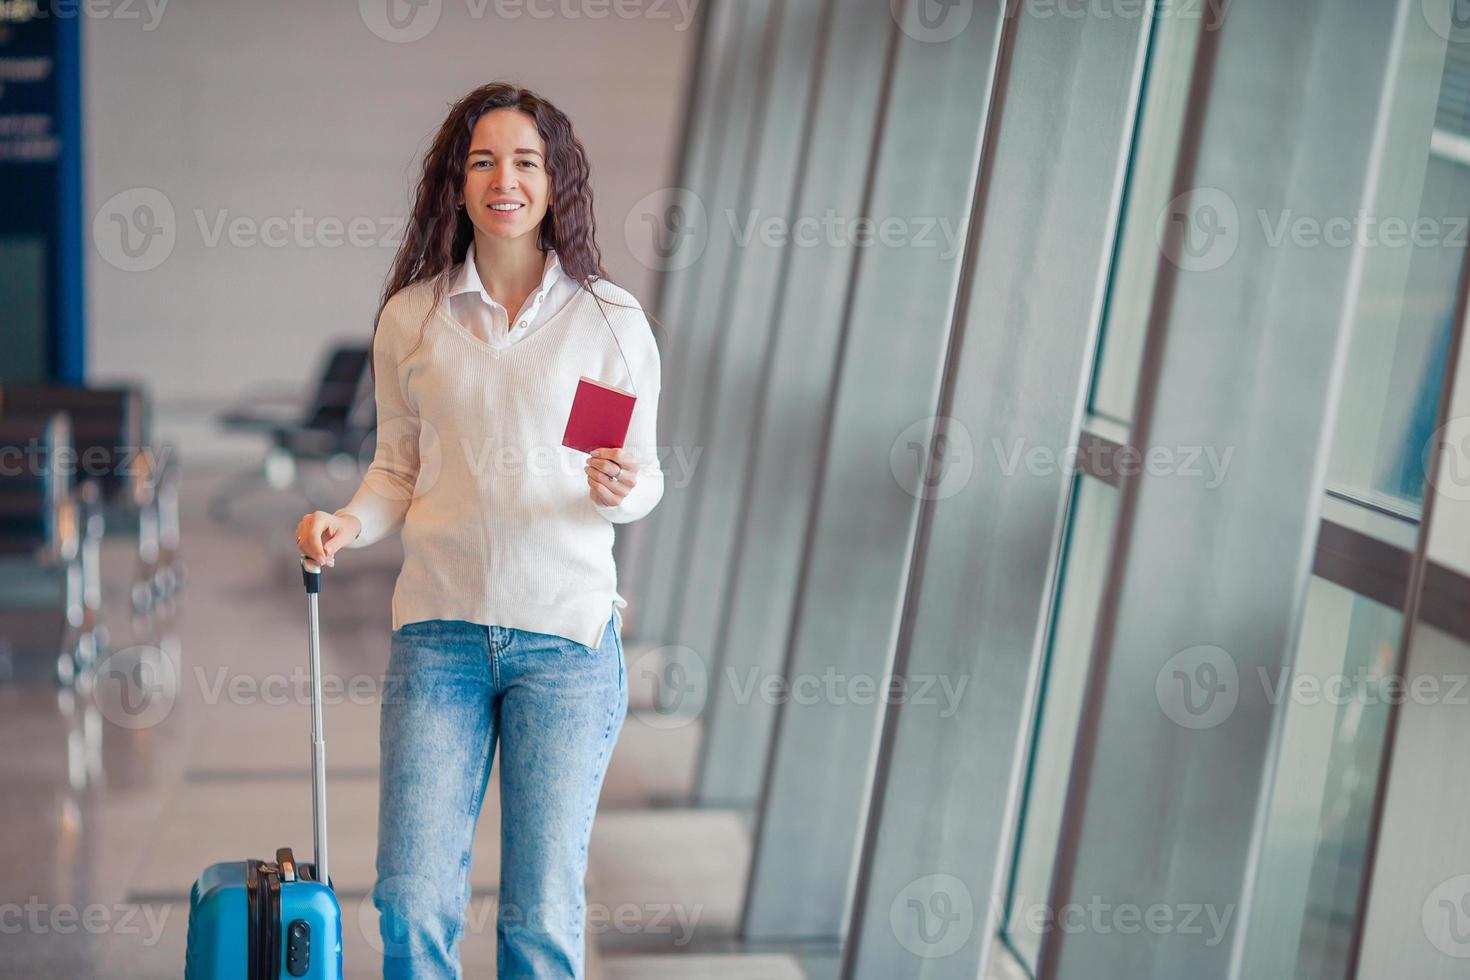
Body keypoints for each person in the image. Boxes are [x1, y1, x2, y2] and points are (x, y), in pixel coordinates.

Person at [293, 82, 664, 978]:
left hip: (567, 644)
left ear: (556, 180)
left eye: (526, 161)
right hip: (440, 636)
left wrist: (620, 485)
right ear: (456, 184)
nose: (505, 179)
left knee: (540, 915)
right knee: (412, 898)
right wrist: (346, 520)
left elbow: (641, 475)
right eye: (484, 160)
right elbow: (396, 471)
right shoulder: (413, 318)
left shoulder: (608, 320)